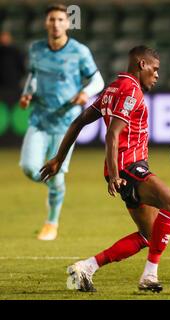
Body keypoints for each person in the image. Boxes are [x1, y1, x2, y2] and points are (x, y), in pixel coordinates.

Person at [40, 45, 170, 293]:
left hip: (124, 167)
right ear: (141, 64)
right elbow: (112, 135)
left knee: (149, 235)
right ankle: (149, 276)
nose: (157, 75)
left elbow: (78, 122)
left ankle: (87, 267)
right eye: (155, 69)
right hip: (128, 168)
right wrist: (115, 174)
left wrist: (58, 159)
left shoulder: (112, 88)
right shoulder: (130, 91)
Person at [18, 4, 105, 240]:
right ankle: (57, 188)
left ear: (67, 23)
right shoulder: (36, 49)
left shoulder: (78, 51)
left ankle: (51, 222)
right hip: (39, 118)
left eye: (60, 20)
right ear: (46, 23)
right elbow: (33, 76)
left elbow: (97, 80)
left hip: (66, 123)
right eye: (52, 20)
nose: (56, 24)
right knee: (28, 167)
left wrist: (86, 93)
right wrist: (27, 94)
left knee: (55, 173)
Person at [0, 30, 26, 105]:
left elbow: (22, 68)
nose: (4, 39)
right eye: (2, 37)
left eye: (6, 37)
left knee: (14, 105)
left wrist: (17, 78)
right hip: (2, 85)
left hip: (14, 84)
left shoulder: (16, 51)